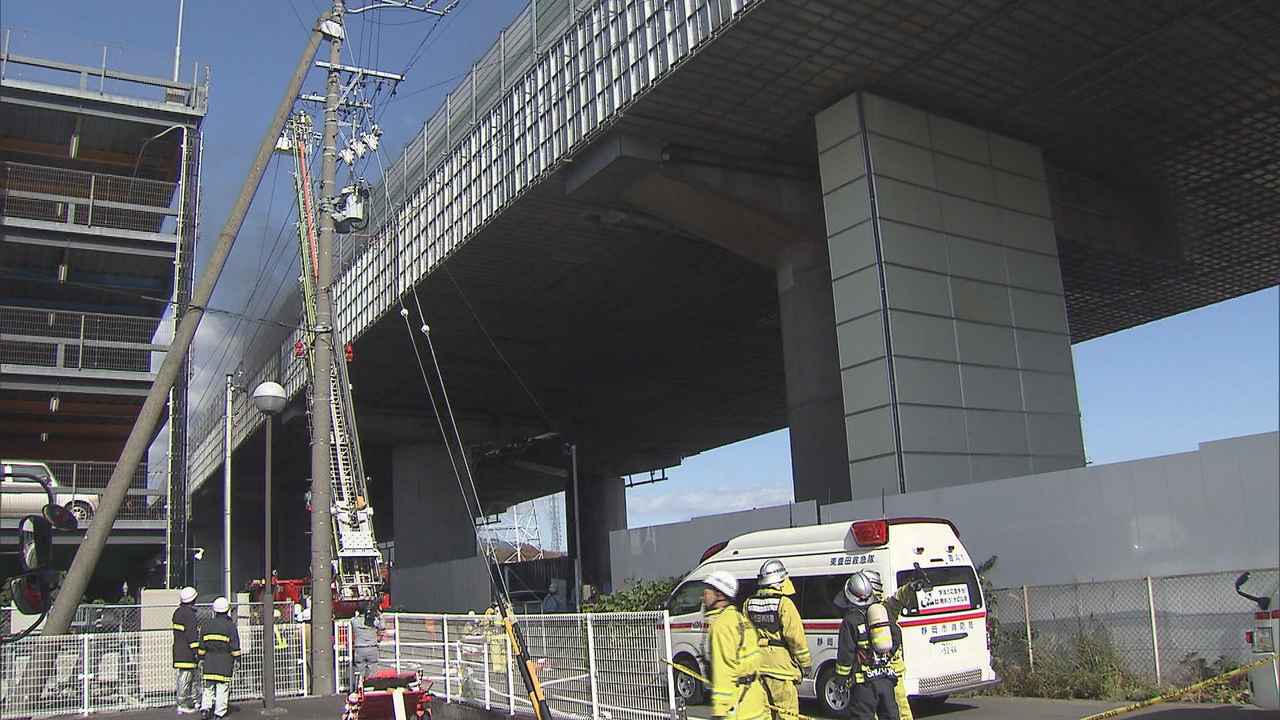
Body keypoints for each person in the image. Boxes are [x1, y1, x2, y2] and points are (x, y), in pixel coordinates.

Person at [745, 560, 811, 719]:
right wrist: (805, 664)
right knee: (787, 712)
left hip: (757, 664)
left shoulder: (748, 603)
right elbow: (795, 638)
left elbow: (745, 634)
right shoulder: (784, 603)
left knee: (763, 712)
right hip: (780, 668)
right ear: (780, 581)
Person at [833, 570, 903, 720]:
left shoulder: (850, 620)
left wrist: (840, 679)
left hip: (864, 683)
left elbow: (846, 654)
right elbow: (897, 636)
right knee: (891, 716)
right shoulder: (881, 612)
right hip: (886, 679)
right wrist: (887, 655)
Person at [702, 571, 768, 720]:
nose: (703, 595)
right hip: (754, 700)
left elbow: (724, 671)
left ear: (719, 594)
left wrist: (719, 711)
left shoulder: (722, 625)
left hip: (737, 706)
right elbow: (756, 659)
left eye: (707, 590)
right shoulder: (741, 619)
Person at [199, 597, 240, 720]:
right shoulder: (230, 626)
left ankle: (205, 709)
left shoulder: (206, 625)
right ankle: (219, 713)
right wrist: (238, 660)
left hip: (209, 660)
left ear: (214, 610)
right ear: (227, 610)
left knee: (208, 687)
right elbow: (235, 646)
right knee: (222, 687)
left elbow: (201, 645)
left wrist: (201, 658)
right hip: (224, 661)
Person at [171, 587, 201, 715]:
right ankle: (183, 703)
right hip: (187, 653)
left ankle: (190, 701)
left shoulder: (177, 612)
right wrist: (196, 651)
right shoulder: (190, 615)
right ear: (193, 599)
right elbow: (192, 635)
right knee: (187, 677)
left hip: (179, 650)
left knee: (188, 677)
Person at [352, 601, 385, 685]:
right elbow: (382, 627)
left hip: (359, 649)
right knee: (373, 672)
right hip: (372, 648)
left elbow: (352, 620)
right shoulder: (373, 621)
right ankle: (371, 689)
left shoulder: (354, 621)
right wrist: (379, 615)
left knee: (359, 672)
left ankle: (358, 689)